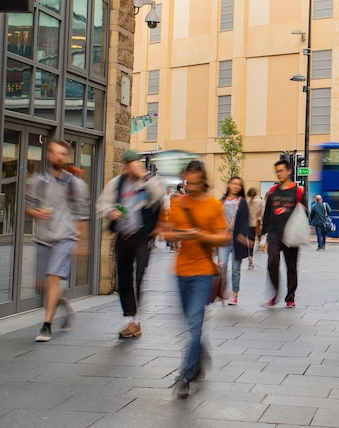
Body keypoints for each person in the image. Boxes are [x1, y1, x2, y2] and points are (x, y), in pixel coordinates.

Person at [157, 160, 229, 399]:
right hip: (180, 272)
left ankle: (184, 376)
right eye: (188, 181)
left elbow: (223, 239)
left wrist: (200, 235)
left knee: (195, 324)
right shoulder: (178, 203)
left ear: (203, 180)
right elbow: (165, 232)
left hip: (203, 273)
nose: (191, 186)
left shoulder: (212, 205)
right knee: (189, 325)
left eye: (196, 182)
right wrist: (180, 234)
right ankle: (199, 356)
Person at [24, 138, 90, 343]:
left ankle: (47, 325)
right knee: (42, 284)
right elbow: (28, 206)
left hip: (65, 237)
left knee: (53, 278)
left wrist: (83, 242)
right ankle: (64, 306)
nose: (59, 157)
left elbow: (81, 216)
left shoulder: (75, 184)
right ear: (49, 155)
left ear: (66, 157)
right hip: (43, 239)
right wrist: (37, 213)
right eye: (55, 152)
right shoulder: (37, 181)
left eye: (63, 153)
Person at [96, 150, 165, 339]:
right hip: (123, 236)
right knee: (124, 279)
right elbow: (102, 204)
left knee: (139, 275)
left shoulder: (149, 181)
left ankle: (135, 318)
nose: (132, 168)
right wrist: (111, 212)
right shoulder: (116, 183)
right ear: (125, 166)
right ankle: (132, 320)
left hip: (142, 236)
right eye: (129, 165)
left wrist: (144, 177)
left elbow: (159, 197)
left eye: (135, 164)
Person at [261, 158, 305, 308]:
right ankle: (274, 293)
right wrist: (263, 235)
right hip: (274, 233)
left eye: (281, 171)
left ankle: (290, 297)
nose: (279, 174)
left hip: (291, 235)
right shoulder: (273, 191)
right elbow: (267, 214)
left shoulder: (298, 191)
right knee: (272, 263)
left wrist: (303, 210)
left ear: (288, 171)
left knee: (291, 267)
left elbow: (306, 213)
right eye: (277, 171)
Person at [218, 176, 252, 306]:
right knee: (222, 266)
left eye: (239, 184)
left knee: (235, 268)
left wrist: (243, 235)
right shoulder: (221, 201)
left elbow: (245, 221)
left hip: (237, 240)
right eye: (234, 184)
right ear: (229, 185)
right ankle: (221, 291)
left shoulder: (242, 202)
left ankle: (235, 294)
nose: (236, 186)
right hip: (223, 239)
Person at [246, 187, 264, 269]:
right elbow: (262, 212)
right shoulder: (260, 201)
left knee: (250, 241)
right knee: (260, 237)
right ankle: (261, 247)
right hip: (257, 223)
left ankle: (250, 258)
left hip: (249, 223)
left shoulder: (247, 202)